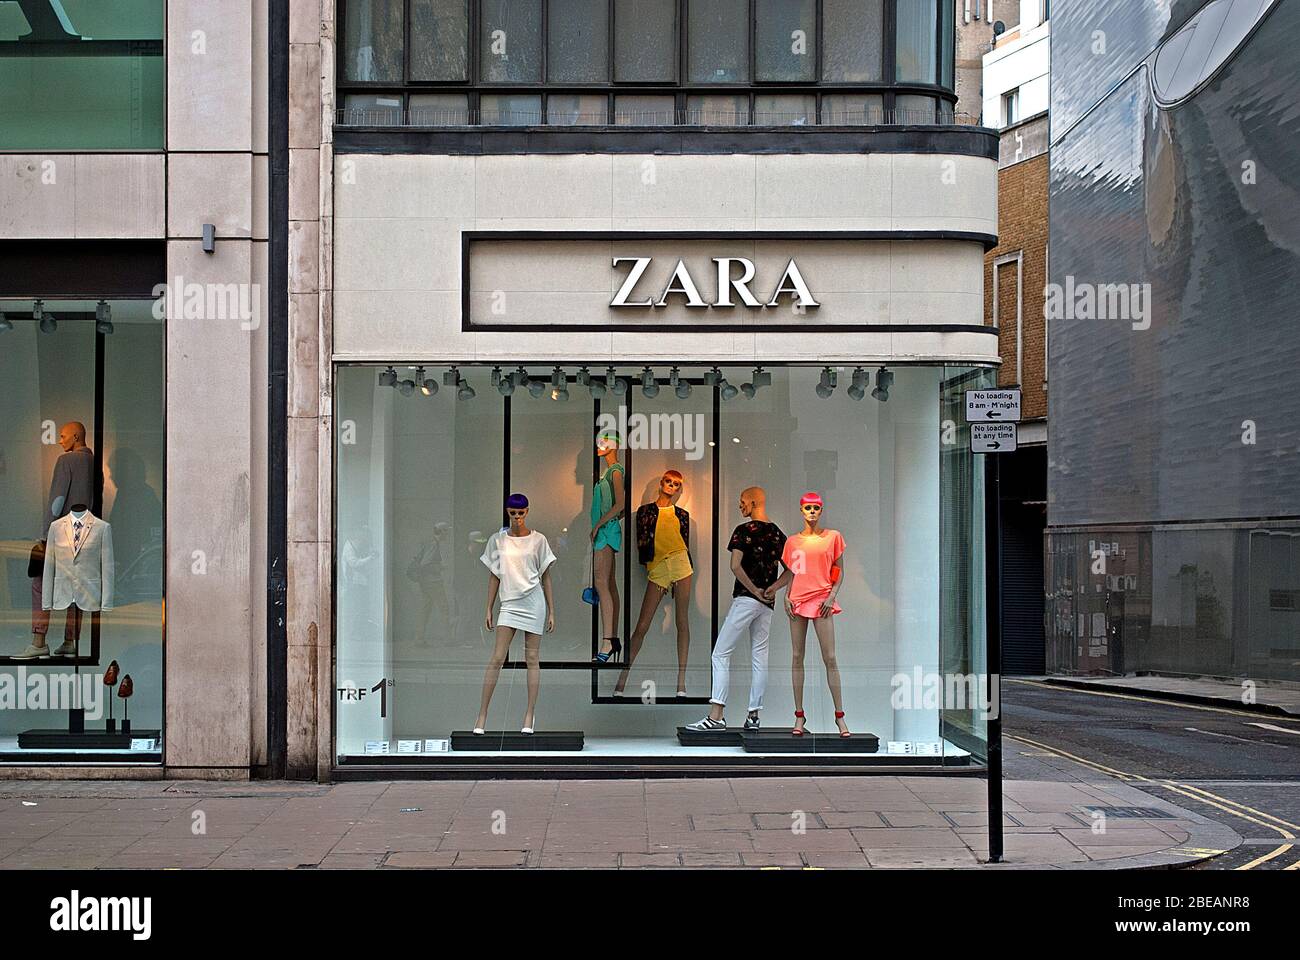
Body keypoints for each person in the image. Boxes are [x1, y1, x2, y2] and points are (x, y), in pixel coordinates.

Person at [687, 486, 786, 731]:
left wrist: (753, 590)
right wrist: (772, 588)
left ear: (753, 502)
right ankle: (753, 716)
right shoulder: (777, 534)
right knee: (759, 656)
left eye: (742, 502)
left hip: (746, 599)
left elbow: (735, 566)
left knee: (720, 653)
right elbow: (793, 570)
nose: (740, 506)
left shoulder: (743, 531)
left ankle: (716, 715)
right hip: (767, 604)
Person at [765, 492, 851, 737]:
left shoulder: (833, 537)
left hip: (822, 599)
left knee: (830, 657)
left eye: (816, 508)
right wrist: (785, 594)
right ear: (801, 511)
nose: (812, 512)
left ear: (821, 510)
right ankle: (799, 716)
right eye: (807, 508)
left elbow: (839, 571)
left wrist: (832, 596)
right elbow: (793, 572)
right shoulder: (792, 542)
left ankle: (840, 716)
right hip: (798, 600)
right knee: (796, 656)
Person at [474, 494, 556, 735]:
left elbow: (546, 576)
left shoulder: (539, 540)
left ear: (527, 512)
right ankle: (482, 715)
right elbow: (494, 575)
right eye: (513, 513)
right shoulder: (498, 540)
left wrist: (552, 610)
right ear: (507, 512)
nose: (517, 518)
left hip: (534, 601)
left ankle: (530, 714)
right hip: (509, 603)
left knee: (532, 659)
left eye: (521, 513)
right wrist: (489, 607)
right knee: (497, 657)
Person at [614, 470, 693, 698]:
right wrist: (649, 566)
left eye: (676, 484)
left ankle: (681, 683)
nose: (671, 486)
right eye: (668, 482)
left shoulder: (682, 515)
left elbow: (684, 542)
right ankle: (621, 681)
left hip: (680, 563)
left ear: (678, 490)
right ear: (661, 483)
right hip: (658, 567)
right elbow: (641, 541)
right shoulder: (646, 511)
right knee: (642, 625)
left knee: (682, 622)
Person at [590, 430, 626, 662]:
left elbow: (621, 503)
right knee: (608, 583)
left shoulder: (615, 471)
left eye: (603, 442)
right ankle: (611, 639)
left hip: (606, 532)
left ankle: (607, 640)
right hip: (604, 530)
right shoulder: (608, 472)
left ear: (613, 445)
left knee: (602, 582)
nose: (599, 446)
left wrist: (600, 525)